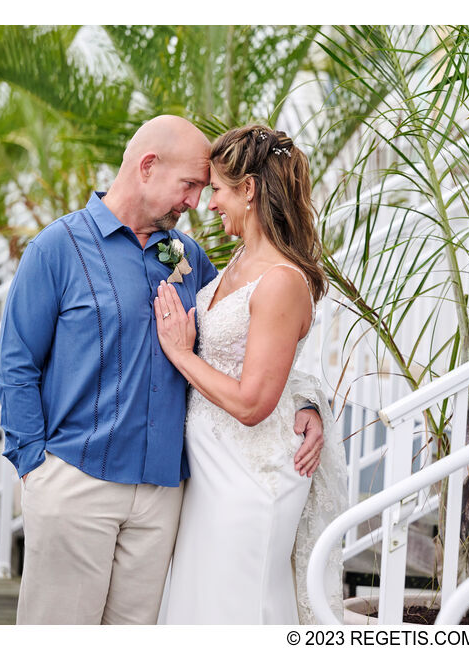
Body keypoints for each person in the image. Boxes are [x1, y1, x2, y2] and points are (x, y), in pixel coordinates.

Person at [0, 115, 328, 625]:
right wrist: (36, 470)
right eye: (191, 184)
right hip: (75, 484)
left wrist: (304, 402)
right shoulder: (57, 248)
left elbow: (247, 340)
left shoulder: (188, 258)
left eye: (206, 188)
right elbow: (16, 365)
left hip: (163, 500)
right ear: (148, 167)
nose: (197, 201)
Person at [155, 125, 346, 624]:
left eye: (217, 189)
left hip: (247, 478)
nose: (209, 204)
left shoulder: (282, 280)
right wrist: (307, 399)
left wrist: (181, 354)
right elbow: (265, 361)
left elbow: (252, 402)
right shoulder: (240, 259)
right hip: (209, 473)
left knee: (237, 608)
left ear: (250, 189)